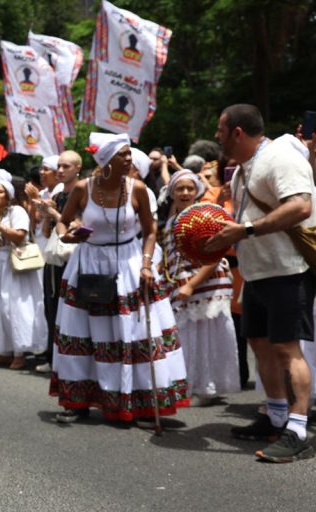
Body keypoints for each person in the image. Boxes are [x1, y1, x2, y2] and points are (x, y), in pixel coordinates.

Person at [50, 132, 188, 424]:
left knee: (134, 333)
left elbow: (151, 231)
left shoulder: (137, 188)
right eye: (123, 154)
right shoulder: (83, 189)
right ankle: (79, 402)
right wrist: (67, 235)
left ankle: (142, 402)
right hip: (88, 263)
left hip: (130, 264)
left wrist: (147, 264)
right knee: (84, 334)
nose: (129, 159)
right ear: (105, 160)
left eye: (129, 154)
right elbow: (62, 221)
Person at [205, 104, 316, 463]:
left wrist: (246, 230)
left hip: (287, 270)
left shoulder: (280, 156)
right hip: (256, 272)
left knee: (287, 348)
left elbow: (300, 206)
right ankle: (276, 415)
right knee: (260, 344)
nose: (217, 137)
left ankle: (298, 430)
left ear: (237, 132)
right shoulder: (241, 170)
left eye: (221, 131)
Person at [157, 169, 239, 406]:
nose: (184, 192)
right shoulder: (172, 220)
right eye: (180, 188)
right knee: (188, 336)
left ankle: (207, 387)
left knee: (206, 336)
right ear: (171, 192)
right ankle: (189, 385)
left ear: (197, 192)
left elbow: (214, 255)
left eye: (189, 188)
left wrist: (192, 285)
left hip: (206, 285)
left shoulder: (203, 215)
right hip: (181, 285)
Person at [0, 180, 47, 369]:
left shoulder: (16, 212)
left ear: (8, 195)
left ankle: (20, 352)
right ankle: (3, 351)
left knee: (13, 308)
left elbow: (20, 236)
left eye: (0, 192)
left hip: (13, 264)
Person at [35, 150, 82, 374]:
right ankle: (53, 356)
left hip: (73, 258)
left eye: (66, 167)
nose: (61, 171)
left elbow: (77, 226)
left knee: (69, 309)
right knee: (51, 307)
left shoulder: (83, 193)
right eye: (59, 167)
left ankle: (69, 359)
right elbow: (47, 232)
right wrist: (45, 214)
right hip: (54, 257)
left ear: (78, 169)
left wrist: (53, 214)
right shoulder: (58, 193)